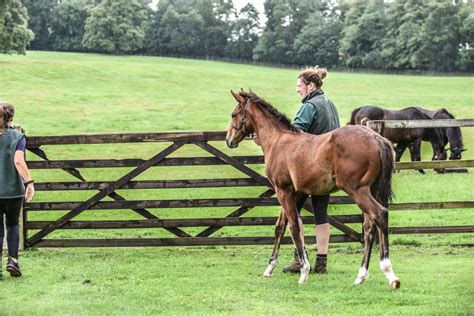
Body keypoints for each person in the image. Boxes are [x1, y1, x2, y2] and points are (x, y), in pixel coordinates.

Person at [282, 66, 340, 274]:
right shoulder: (330, 103)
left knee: (293, 212)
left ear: (310, 86)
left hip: (309, 168)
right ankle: (322, 262)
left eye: (299, 86)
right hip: (329, 170)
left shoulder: (310, 105)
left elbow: (296, 134)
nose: (298, 90)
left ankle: (299, 259)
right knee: (321, 215)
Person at [0, 102, 34, 279]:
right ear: (11, 117)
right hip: (13, 191)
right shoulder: (17, 136)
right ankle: (13, 260)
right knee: (13, 225)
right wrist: (29, 182)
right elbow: (19, 161)